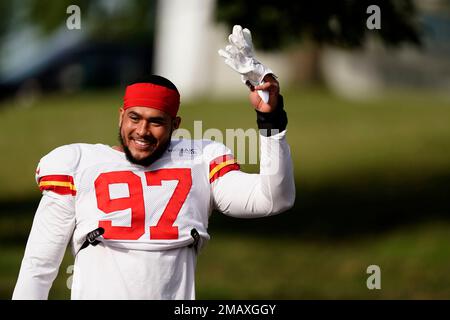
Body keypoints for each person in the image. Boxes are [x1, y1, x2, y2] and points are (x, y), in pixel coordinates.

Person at [12, 25, 295, 299]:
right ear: (121, 116)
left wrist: (270, 121)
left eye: (156, 121)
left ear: (175, 125)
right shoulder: (77, 164)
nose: (143, 131)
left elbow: (274, 199)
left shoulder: (200, 160)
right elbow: (39, 266)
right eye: (135, 118)